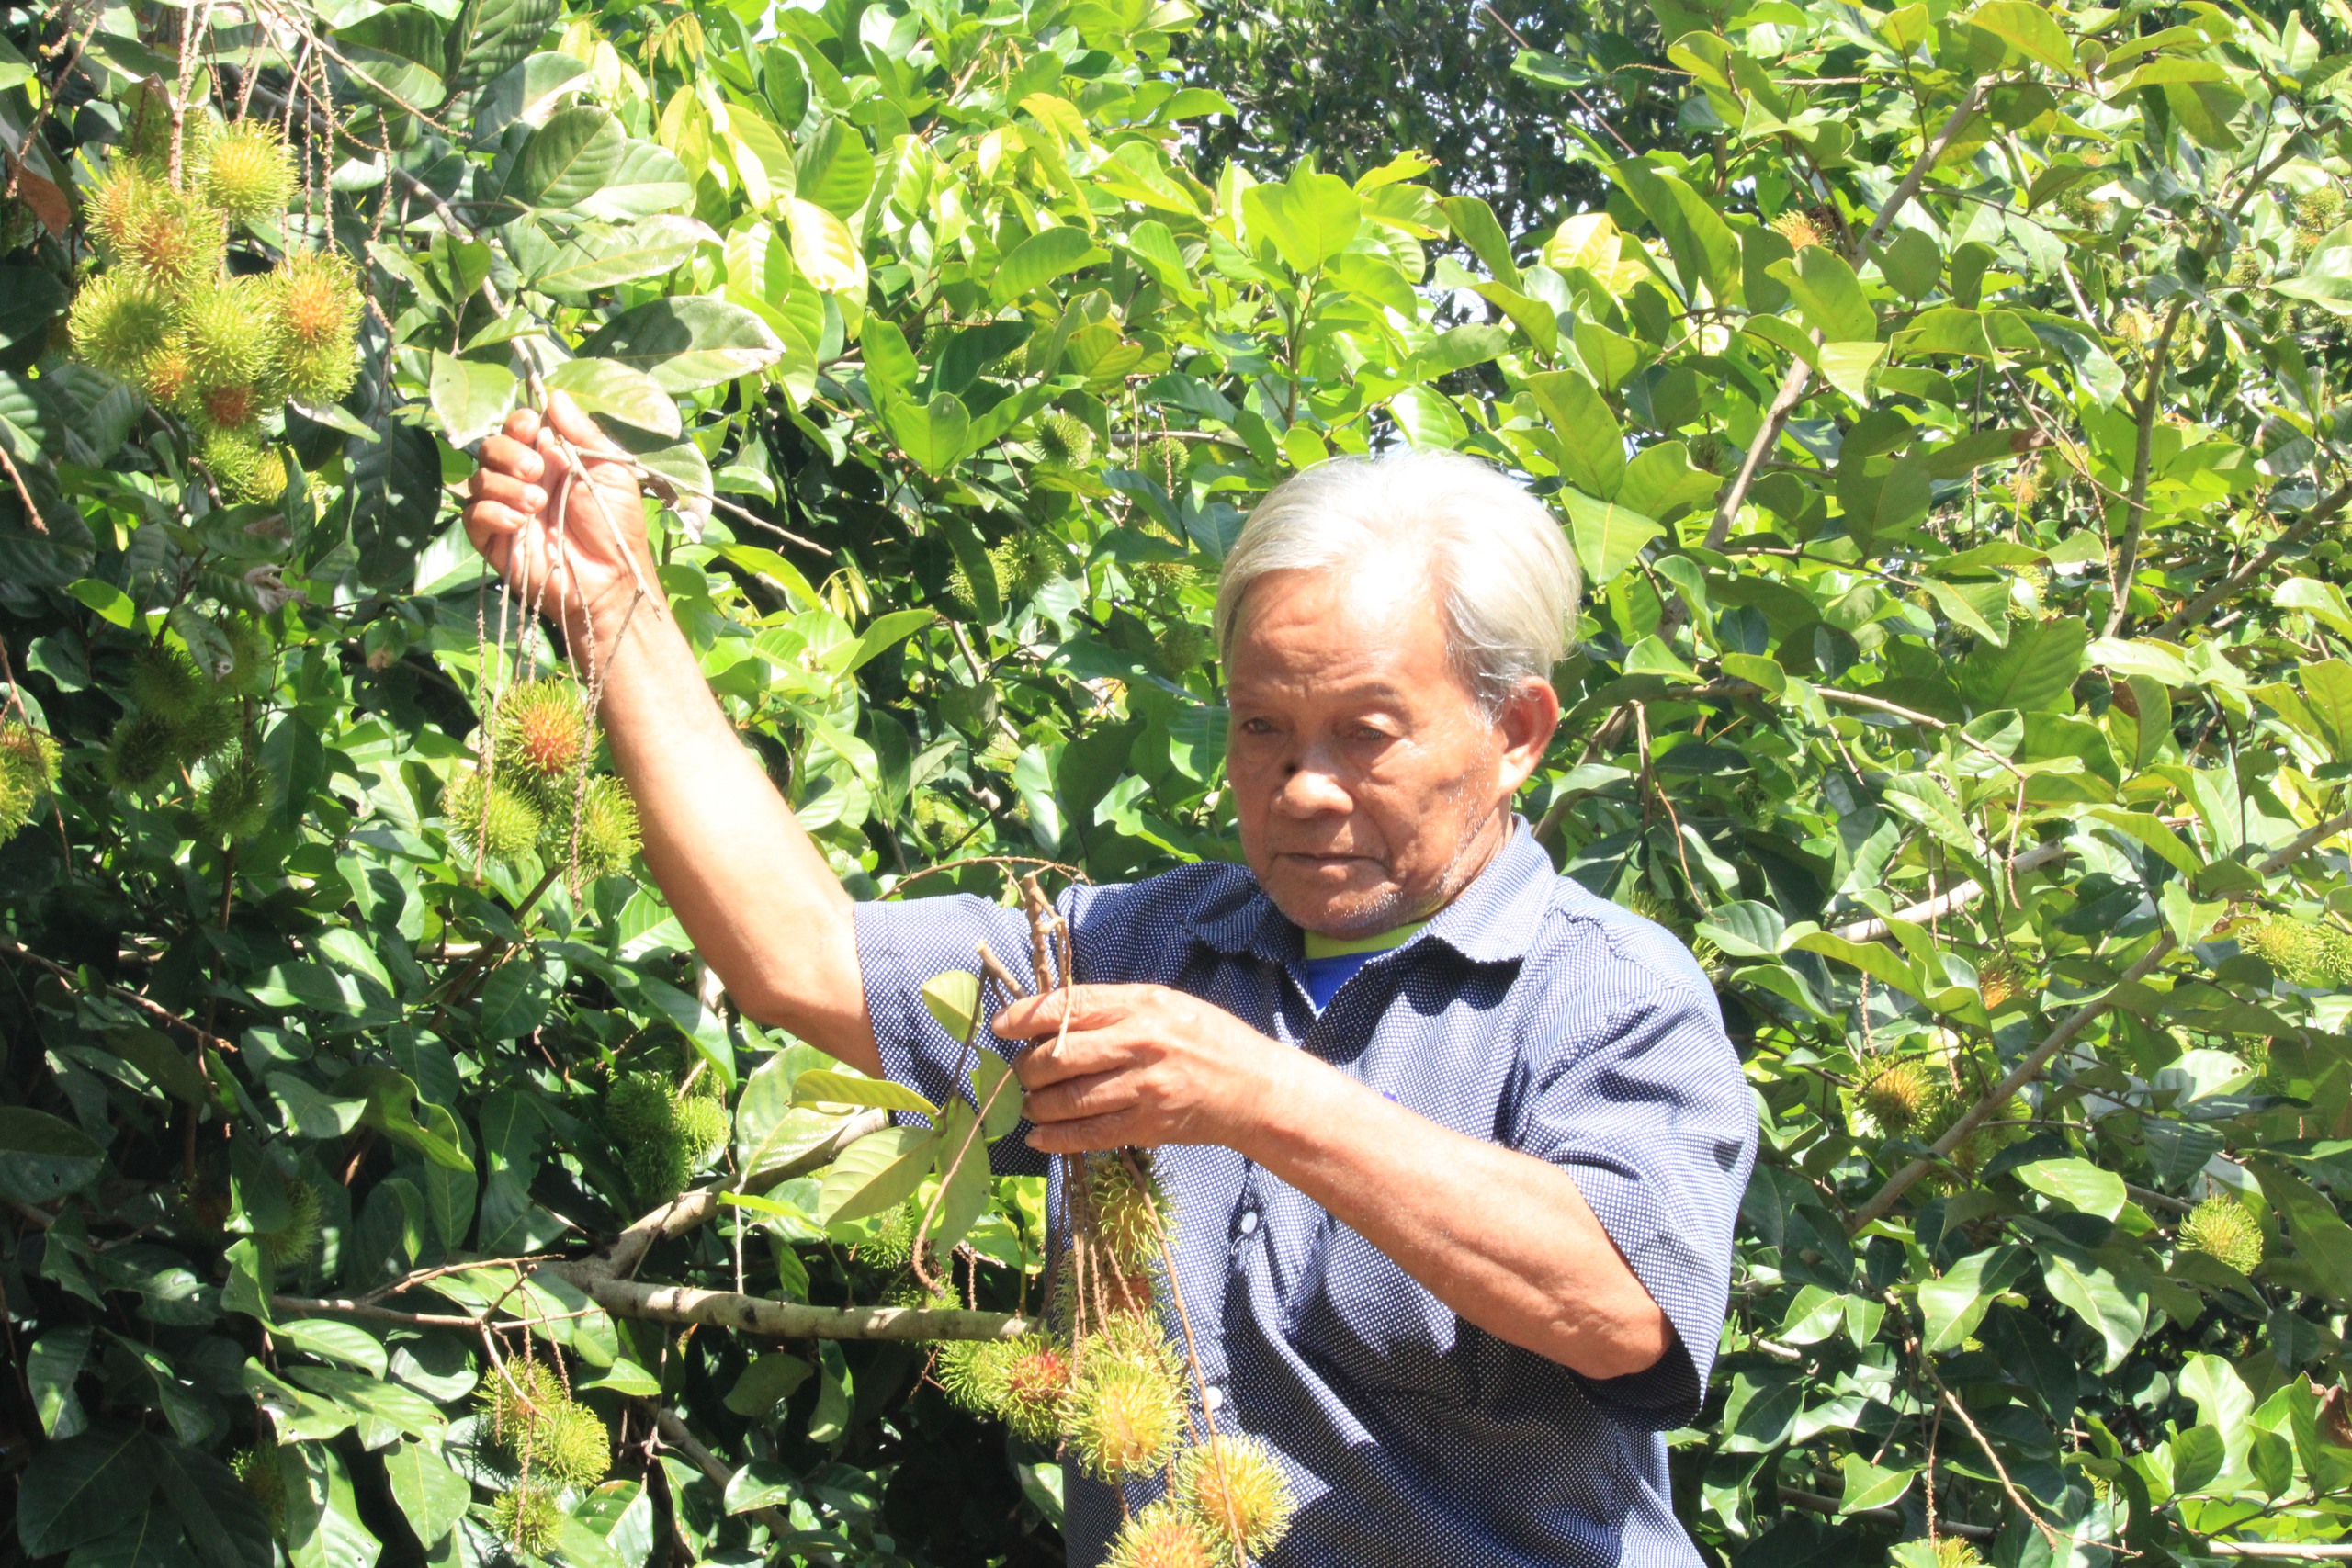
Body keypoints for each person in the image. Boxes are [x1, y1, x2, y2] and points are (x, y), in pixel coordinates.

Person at [463, 395, 1757, 1568]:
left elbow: (1621, 1308)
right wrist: (606, 601)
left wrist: (1260, 1098)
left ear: (1514, 732)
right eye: (1262, 729)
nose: (1302, 787)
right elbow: (796, 956)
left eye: (1363, 734)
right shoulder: (1142, 948)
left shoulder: (1607, 994)